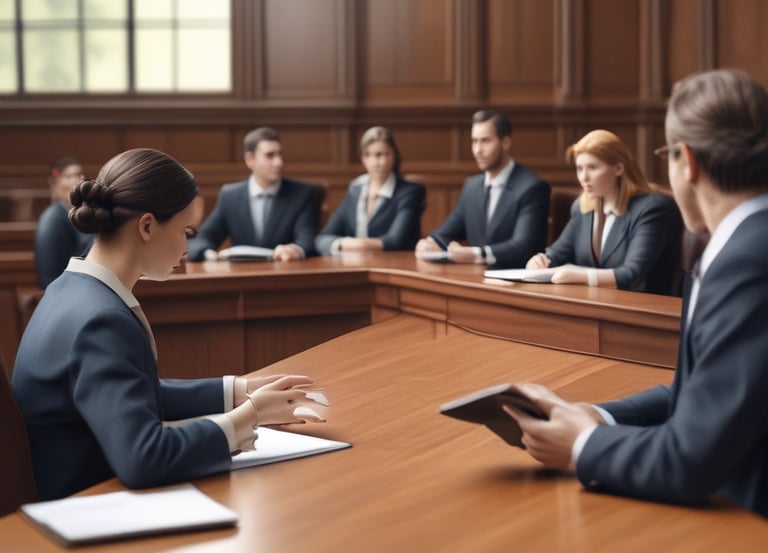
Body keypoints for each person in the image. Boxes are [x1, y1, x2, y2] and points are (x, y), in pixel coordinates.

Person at [503, 69, 768, 517]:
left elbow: (689, 461)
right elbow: (701, 392)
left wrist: (583, 444)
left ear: (687, 161)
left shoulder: (748, 260)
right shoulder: (740, 242)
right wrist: (595, 415)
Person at [12, 148, 328, 501]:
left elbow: (129, 394)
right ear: (147, 226)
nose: (187, 247)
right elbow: (143, 457)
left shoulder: (67, 288)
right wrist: (248, 419)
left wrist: (240, 390)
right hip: (84, 503)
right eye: (186, 231)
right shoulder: (103, 320)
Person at [525, 130, 682, 295]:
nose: (583, 177)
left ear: (619, 168)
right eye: (579, 168)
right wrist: (541, 261)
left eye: (592, 167)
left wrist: (582, 276)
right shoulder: (582, 208)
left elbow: (632, 274)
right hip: (596, 303)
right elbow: (556, 253)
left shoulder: (652, 209)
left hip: (644, 309)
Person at [415, 110, 550, 267]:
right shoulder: (471, 186)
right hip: (476, 279)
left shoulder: (532, 187)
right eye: (474, 141)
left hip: (517, 282)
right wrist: (430, 243)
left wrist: (476, 254)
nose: (477, 150)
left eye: (485, 141)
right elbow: (445, 233)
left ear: (505, 142)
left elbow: (524, 246)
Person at [187, 127, 320, 261]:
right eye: (270, 155)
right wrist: (209, 254)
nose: (279, 162)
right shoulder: (230, 195)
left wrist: (295, 250)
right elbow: (201, 239)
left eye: (280, 155)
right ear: (250, 159)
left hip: (285, 274)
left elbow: (308, 240)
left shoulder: (303, 194)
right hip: (242, 277)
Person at [315, 127, 425, 255]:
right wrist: (347, 243)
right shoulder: (355, 189)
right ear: (364, 158)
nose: (381, 162)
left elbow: (395, 241)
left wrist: (359, 243)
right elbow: (322, 239)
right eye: (374, 155)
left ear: (394, 156)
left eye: (386, 154)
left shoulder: (410, 192)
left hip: (394, 266)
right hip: (355, 264)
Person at [34, 157, 93, 289]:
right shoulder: (53, 218)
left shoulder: (72, 213)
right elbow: (50, 275)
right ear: (54, 181)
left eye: (79, 174)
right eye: (69, 176)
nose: (77, 180)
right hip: (61, 290)